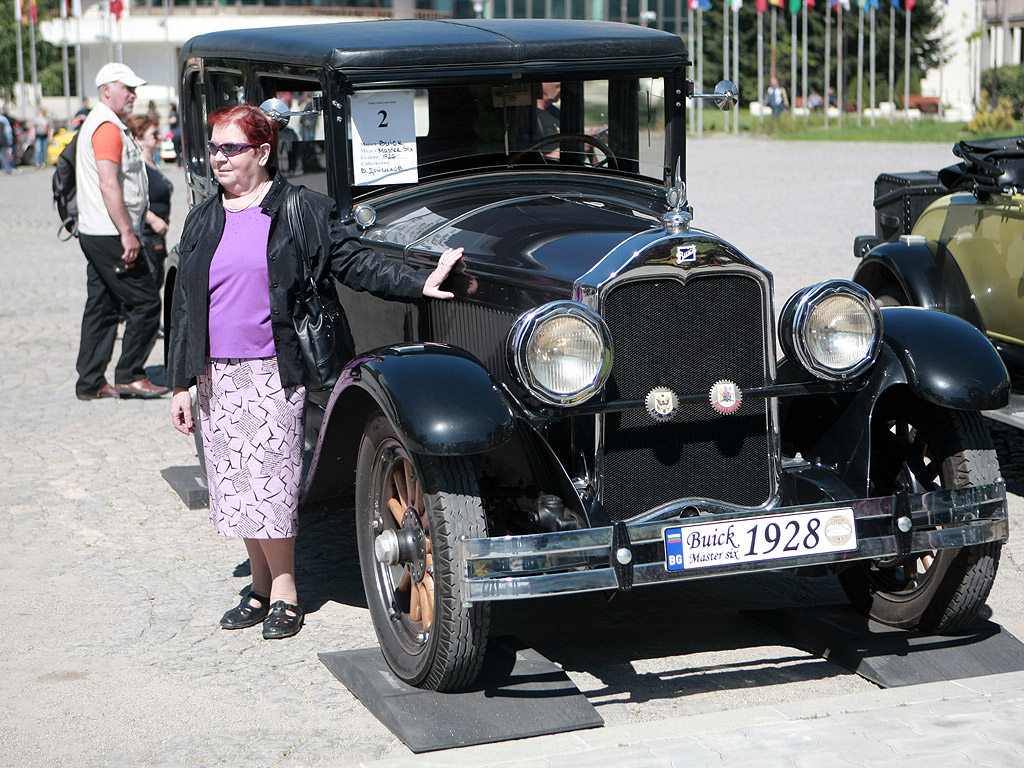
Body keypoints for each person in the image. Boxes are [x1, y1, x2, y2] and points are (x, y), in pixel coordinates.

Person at [166, 104, 467, 640]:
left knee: (272, 489)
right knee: (236, 488)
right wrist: (183, 383)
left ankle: (285, 592)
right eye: (213, 147)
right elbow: (187, 306)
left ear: (263, 151)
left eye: (230, 148)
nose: (218, 158)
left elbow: (354, 260)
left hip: (275, 371)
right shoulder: (205, 217)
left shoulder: (301, 210)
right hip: (217, 375)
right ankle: (258, 589)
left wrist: (418, 280)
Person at [74, 62, 170, 401]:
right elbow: (108, 183)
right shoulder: (106, 127)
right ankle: (130, 374)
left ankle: (90, 382)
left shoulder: (106, 123)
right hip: (110, 233)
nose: (133, 94)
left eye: (134, 89)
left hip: (98, 230)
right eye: (126, 88)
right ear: (106, 90)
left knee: (102, 306)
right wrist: (128, 233)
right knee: (144, 303)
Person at [126, 114, 173, 289]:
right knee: (149, 288)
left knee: (157, 283)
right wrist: (152, 219)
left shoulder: (153, 164)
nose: (159, 137)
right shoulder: (138, 166)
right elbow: (130, 197)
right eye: (154, 134)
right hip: (146, 236)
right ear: (139, 139)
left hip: (157, 237)